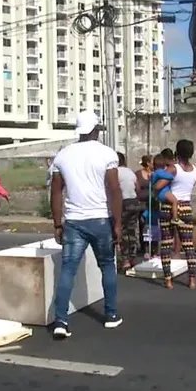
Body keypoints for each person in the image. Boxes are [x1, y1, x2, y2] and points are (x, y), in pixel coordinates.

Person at [49, 110, 123, 340]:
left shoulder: (63, 155)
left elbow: (56, 192)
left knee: (68, 270)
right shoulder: (107, 153)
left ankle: (61, 321)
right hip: (100, 219)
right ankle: (111, 315)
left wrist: (57, 224)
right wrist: (118, 223)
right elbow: (114, 189)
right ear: (95, 130)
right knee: (107, 266)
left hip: (73, 221)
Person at [160, 139, 196, 290]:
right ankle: (192, 279)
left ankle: (168, 280)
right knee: (188, 244)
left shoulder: (173, 169)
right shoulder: (194, 170)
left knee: (166, 243)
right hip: (186, 207)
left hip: (169, 207)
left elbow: (159, 185)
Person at [116, 152, 141, 271]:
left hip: (123, 203)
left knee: (122, 231)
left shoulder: (115, 172)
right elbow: (138, 188)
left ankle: (125, 260)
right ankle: (132, 258)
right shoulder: (130, 172)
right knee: (132, 231)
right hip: (134, 202)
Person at [150, 154, 182, 225]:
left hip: (160, 193)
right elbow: (169, 176)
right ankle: (175, 218)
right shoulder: (160, 172)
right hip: (164, 192)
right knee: (175, 201)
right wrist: (173, 176)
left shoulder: (154, 173)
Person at [135, 155, 153, 256]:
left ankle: (151, 246)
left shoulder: (154, 174)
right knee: (142, 224)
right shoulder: (138, 174)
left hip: (150, 203)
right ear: (148, 163)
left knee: (150, 224)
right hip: (140, 203)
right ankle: (143, 246)